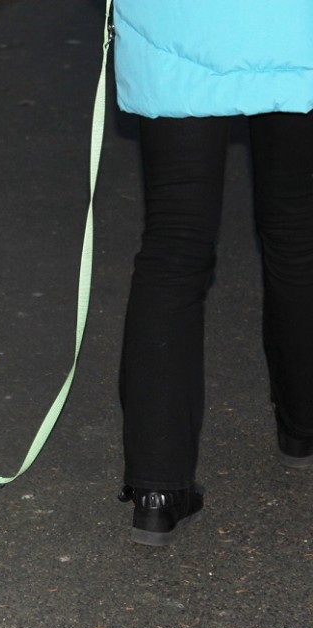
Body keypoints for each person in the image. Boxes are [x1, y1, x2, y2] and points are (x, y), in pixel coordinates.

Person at [111, 1, 313, 546]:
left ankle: (157, 489)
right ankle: (303, 427)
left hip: (178, 26)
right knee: (299, 234)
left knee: (174, 245)